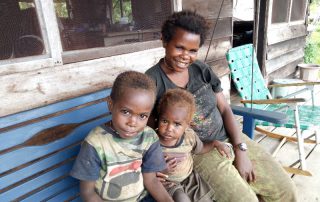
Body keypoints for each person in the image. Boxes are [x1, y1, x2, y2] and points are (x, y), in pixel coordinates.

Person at [146, 10, 297, 202]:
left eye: (193, 50)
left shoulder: (201, 70)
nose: (185, 56)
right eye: (179, 47)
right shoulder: (152, 82)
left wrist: (240, 150)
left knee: (285, 190)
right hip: (198, 153)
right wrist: (156, 163)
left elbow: (225, 109)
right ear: (164, 41)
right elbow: (148, 132)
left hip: (229, 138)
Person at [70, 71, 173, 202]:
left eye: (142, 116)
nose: (133, 123)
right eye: (126, 112)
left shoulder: (148, 137)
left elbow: (151, 180)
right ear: (111, 105)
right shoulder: (95, 143)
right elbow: (88, 193)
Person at [156, 88, 231, 202]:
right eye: (164, 121)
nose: (169, 129)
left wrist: (215, 143)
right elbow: (144, 167)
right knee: (182, 199)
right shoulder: (152, 141)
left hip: (190, 179)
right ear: (158, 119)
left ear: (187, 125)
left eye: (177, 124)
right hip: (168, 183)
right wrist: (161, 170)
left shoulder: (189, 137)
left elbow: (200, 149)